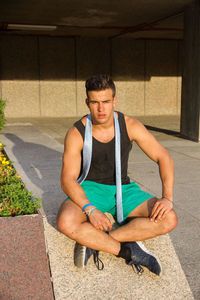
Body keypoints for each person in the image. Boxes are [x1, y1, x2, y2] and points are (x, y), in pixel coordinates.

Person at [57, 74, 178, 276]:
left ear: (114, 100)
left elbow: (163, 157)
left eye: (105, 101)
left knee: (170, 219)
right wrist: (90, 210)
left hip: (124, 189)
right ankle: (126, 251)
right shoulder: (77, 131)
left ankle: (97, 241)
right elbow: (67, 180)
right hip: (90, 188)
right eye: (95, 102)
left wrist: (167, 197)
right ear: (87, 102)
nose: (101, 108)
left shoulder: (129, 125)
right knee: (65, 221)